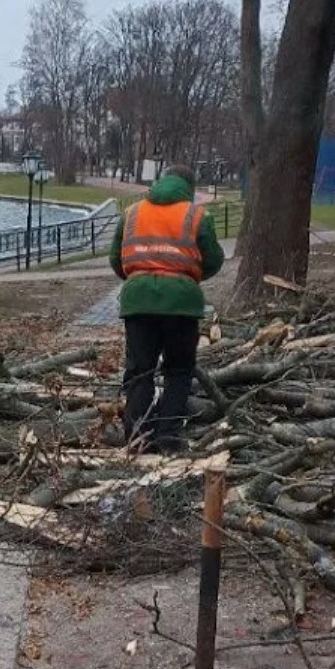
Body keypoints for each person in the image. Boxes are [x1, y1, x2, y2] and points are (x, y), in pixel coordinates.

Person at [109, 164, 224, 453]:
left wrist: (138, 277)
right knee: (179, 370)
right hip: (182, 305)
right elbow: (214, 259)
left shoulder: (132, 213)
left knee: (139, 371)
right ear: (190, 187)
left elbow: (116, 258)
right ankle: (168, 437)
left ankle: (137, 438)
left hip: (138, 302)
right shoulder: (197, 216)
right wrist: (188, 277)